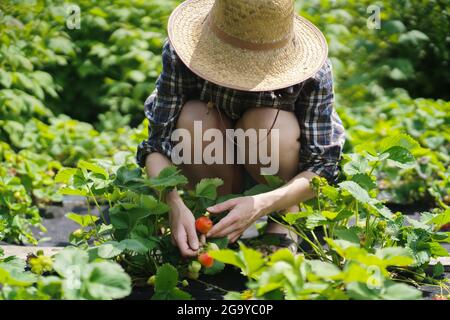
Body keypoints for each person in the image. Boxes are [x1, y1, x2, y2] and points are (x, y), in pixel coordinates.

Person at [136, 0, 346, 257]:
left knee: (267, 122)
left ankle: (284, 216)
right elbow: (156, 145)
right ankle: (216, 210)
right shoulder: (182, 56)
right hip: (212, 166)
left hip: (277, 175)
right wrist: (173, 202)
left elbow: (322, 168)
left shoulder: (312, 74)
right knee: (193, 117)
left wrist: (263, 202)